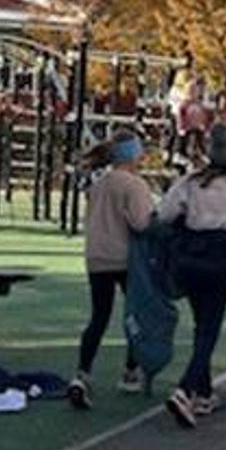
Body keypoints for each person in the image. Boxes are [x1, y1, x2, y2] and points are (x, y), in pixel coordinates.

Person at [159, 123, 226, 429]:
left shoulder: (190, 183)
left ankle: (203, 391)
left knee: (201, 324)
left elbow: (164, 214)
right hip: (219, 261)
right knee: (209, 331)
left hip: (188, 259)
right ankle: (186, 388)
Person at [68, 129, 155, 410]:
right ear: (134, 155)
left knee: (99, 315)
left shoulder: (100, 183)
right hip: (125, 257)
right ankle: (131, 370)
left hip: (96, 255)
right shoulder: (134, 185)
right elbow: (142, 223)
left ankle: (82, 372)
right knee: (136, 314)